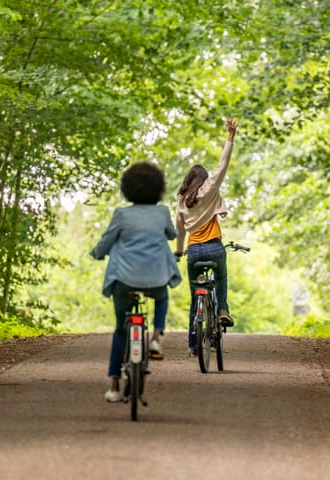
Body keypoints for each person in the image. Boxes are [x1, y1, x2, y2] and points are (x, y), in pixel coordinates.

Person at [91, 162, 181, 402]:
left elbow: (107, 241)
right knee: (162, 297)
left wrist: (97, 253)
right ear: (159, 189)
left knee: (120, 328)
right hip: (155, 280)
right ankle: (156, 338)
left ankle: (113, 385)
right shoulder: (162, 213)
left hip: (124, 280)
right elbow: (172, 235)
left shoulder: (122, 215)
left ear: (127, 188)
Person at [174, 116, 238, 356]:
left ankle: (193, 346)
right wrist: (229, 137)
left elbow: (180, 231)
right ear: (203, 180)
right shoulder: (210, 190)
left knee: (194, 297)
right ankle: (222, 309)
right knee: (221, 278)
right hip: (214, 247)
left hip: (194, 252)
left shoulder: (182, 202)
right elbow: (223, 165)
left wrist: (179, 251)